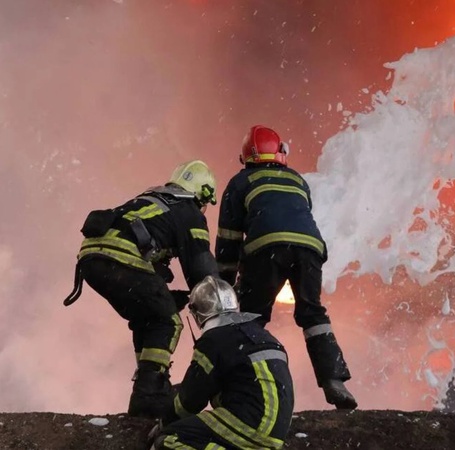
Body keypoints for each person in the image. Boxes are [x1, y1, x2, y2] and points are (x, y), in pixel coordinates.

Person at [215, 125, 357, 409]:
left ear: (245, 158)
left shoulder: (240, 182)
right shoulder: (297, 179)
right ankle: (334, 380)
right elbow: (297, 218)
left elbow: (228, 238)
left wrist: (225, 284)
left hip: (266, 250)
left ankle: (240, 389)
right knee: (312, 312)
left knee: (250, 319)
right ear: (281, 151)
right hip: (310, 250)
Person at [63, 160, 219, 418]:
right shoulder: (188, 212)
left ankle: (148, 388)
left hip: (92, 259)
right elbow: (201, 268)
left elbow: (145, 258)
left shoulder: (153, 199)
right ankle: (149, 394)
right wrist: (217, 304)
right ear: (203, 194)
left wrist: (171, 297)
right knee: (167, 322)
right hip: (120, 258)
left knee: (147, 319)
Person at [150, 276, 294, 450]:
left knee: (169, 440)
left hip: (248, 425)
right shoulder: (261, 335)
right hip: (275, 433)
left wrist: (164, 422)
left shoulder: (214, 339)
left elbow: (191, 400)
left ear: (197, 313)